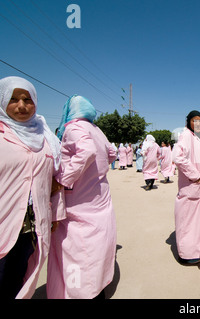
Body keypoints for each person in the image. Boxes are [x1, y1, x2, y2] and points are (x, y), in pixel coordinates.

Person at [47, 95, 117, 299]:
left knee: (75, 252)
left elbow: (86, 152)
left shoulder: (73, 127)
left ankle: (80, 293)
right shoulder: (96, 129)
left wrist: (63, 179)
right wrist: (97, 173)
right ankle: (96, 288)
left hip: (78, 202)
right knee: (96, 249)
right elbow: (111, 153)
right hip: (99, 197)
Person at [0, 76, 65, 299]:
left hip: (30, 227)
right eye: (13, 99)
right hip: (3, 223)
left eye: (27, 99)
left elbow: (55, 181)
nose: (21, 106)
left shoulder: (44, 136)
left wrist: (54, 214)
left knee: (17, 278)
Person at [172, 110, 200, 264]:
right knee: (187, 221)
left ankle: (196, 248)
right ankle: (187, 255)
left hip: (198, 188)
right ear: (188, 121)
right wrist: (195, 175)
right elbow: (177, 157)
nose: (198, 123)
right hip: (191, 187)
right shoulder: (186, 136)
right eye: (195, 120)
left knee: (196, 221)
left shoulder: (196, 138)